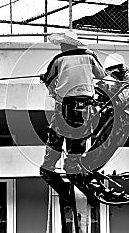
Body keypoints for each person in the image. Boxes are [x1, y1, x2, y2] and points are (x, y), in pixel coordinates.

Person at [40, 30, 106, 175]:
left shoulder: (59, 59)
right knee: (80, 135)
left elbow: (48, 79)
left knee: (56, 132)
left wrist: (53, 93)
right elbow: (101, 75)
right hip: (85, 105)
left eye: (62, 44)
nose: (61, 47)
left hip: (63, 104)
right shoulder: (90, 57)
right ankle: (73, 165)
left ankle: (50, 164)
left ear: (65, 45)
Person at [82, 53, 129, 171]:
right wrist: (104, 89)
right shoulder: (121, 78)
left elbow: (121, 98)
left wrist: (107, 90)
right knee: (103, 136)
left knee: (109, 140)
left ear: (118, 69)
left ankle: (91, 163)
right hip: (122, 112)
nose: (113, 77)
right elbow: (115, 92)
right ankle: (88, 160)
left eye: (113, 74)